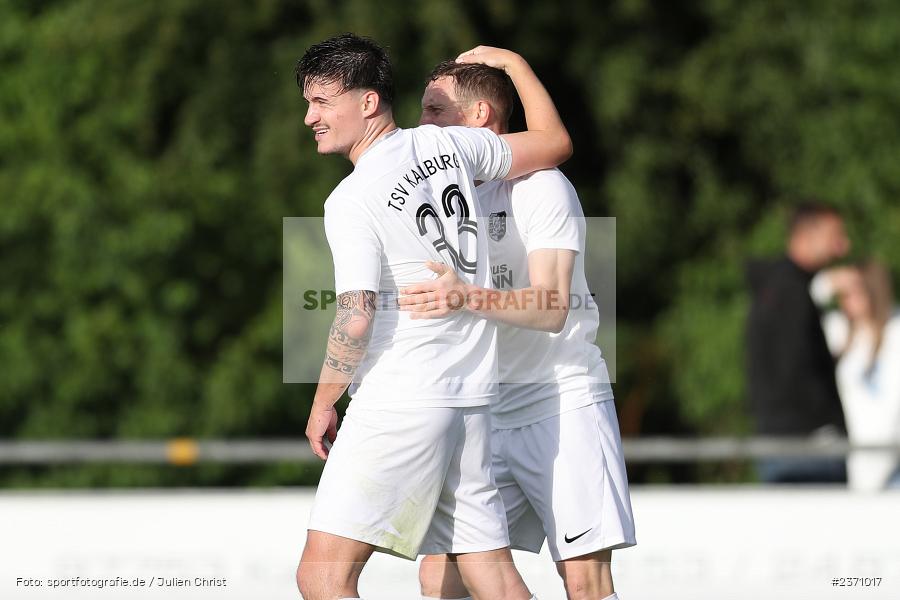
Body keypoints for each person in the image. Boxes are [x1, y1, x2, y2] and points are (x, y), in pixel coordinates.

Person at [294, 34, 572, 600]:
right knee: (486, 570)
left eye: (322, 102)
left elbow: (356, 315)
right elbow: (554, 142)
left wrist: (325, 400)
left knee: (323, 576)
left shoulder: (351, 198)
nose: (309, 118)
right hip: (469, 398)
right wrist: (515, 65)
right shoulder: (449, 146)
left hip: (402, 397)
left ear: (368, 102)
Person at [399, 48, 635, 600]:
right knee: (441, 578)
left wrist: (465, 297)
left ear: (479, 116)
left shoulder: (542, 186)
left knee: (584, 582)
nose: (421, 125)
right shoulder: (441, 197)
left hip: (560, 404)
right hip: (483, 413)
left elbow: (551, 307)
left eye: (434, 110)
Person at [745, 202, 850, 483]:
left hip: (786, 442)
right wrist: (829, 421)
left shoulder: (778, 288)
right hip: (806, 446)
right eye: (834, 236)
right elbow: (793, 369)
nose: (843, 247)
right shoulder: (791, 292)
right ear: (806, 235)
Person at [814, 261, 900, 491]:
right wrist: (829, 281)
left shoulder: (895, 331)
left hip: (893, 462)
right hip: (858, 463)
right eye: (844, 293)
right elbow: (801, 307)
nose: (846, 300)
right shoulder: (840, 333)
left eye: (855, 291)